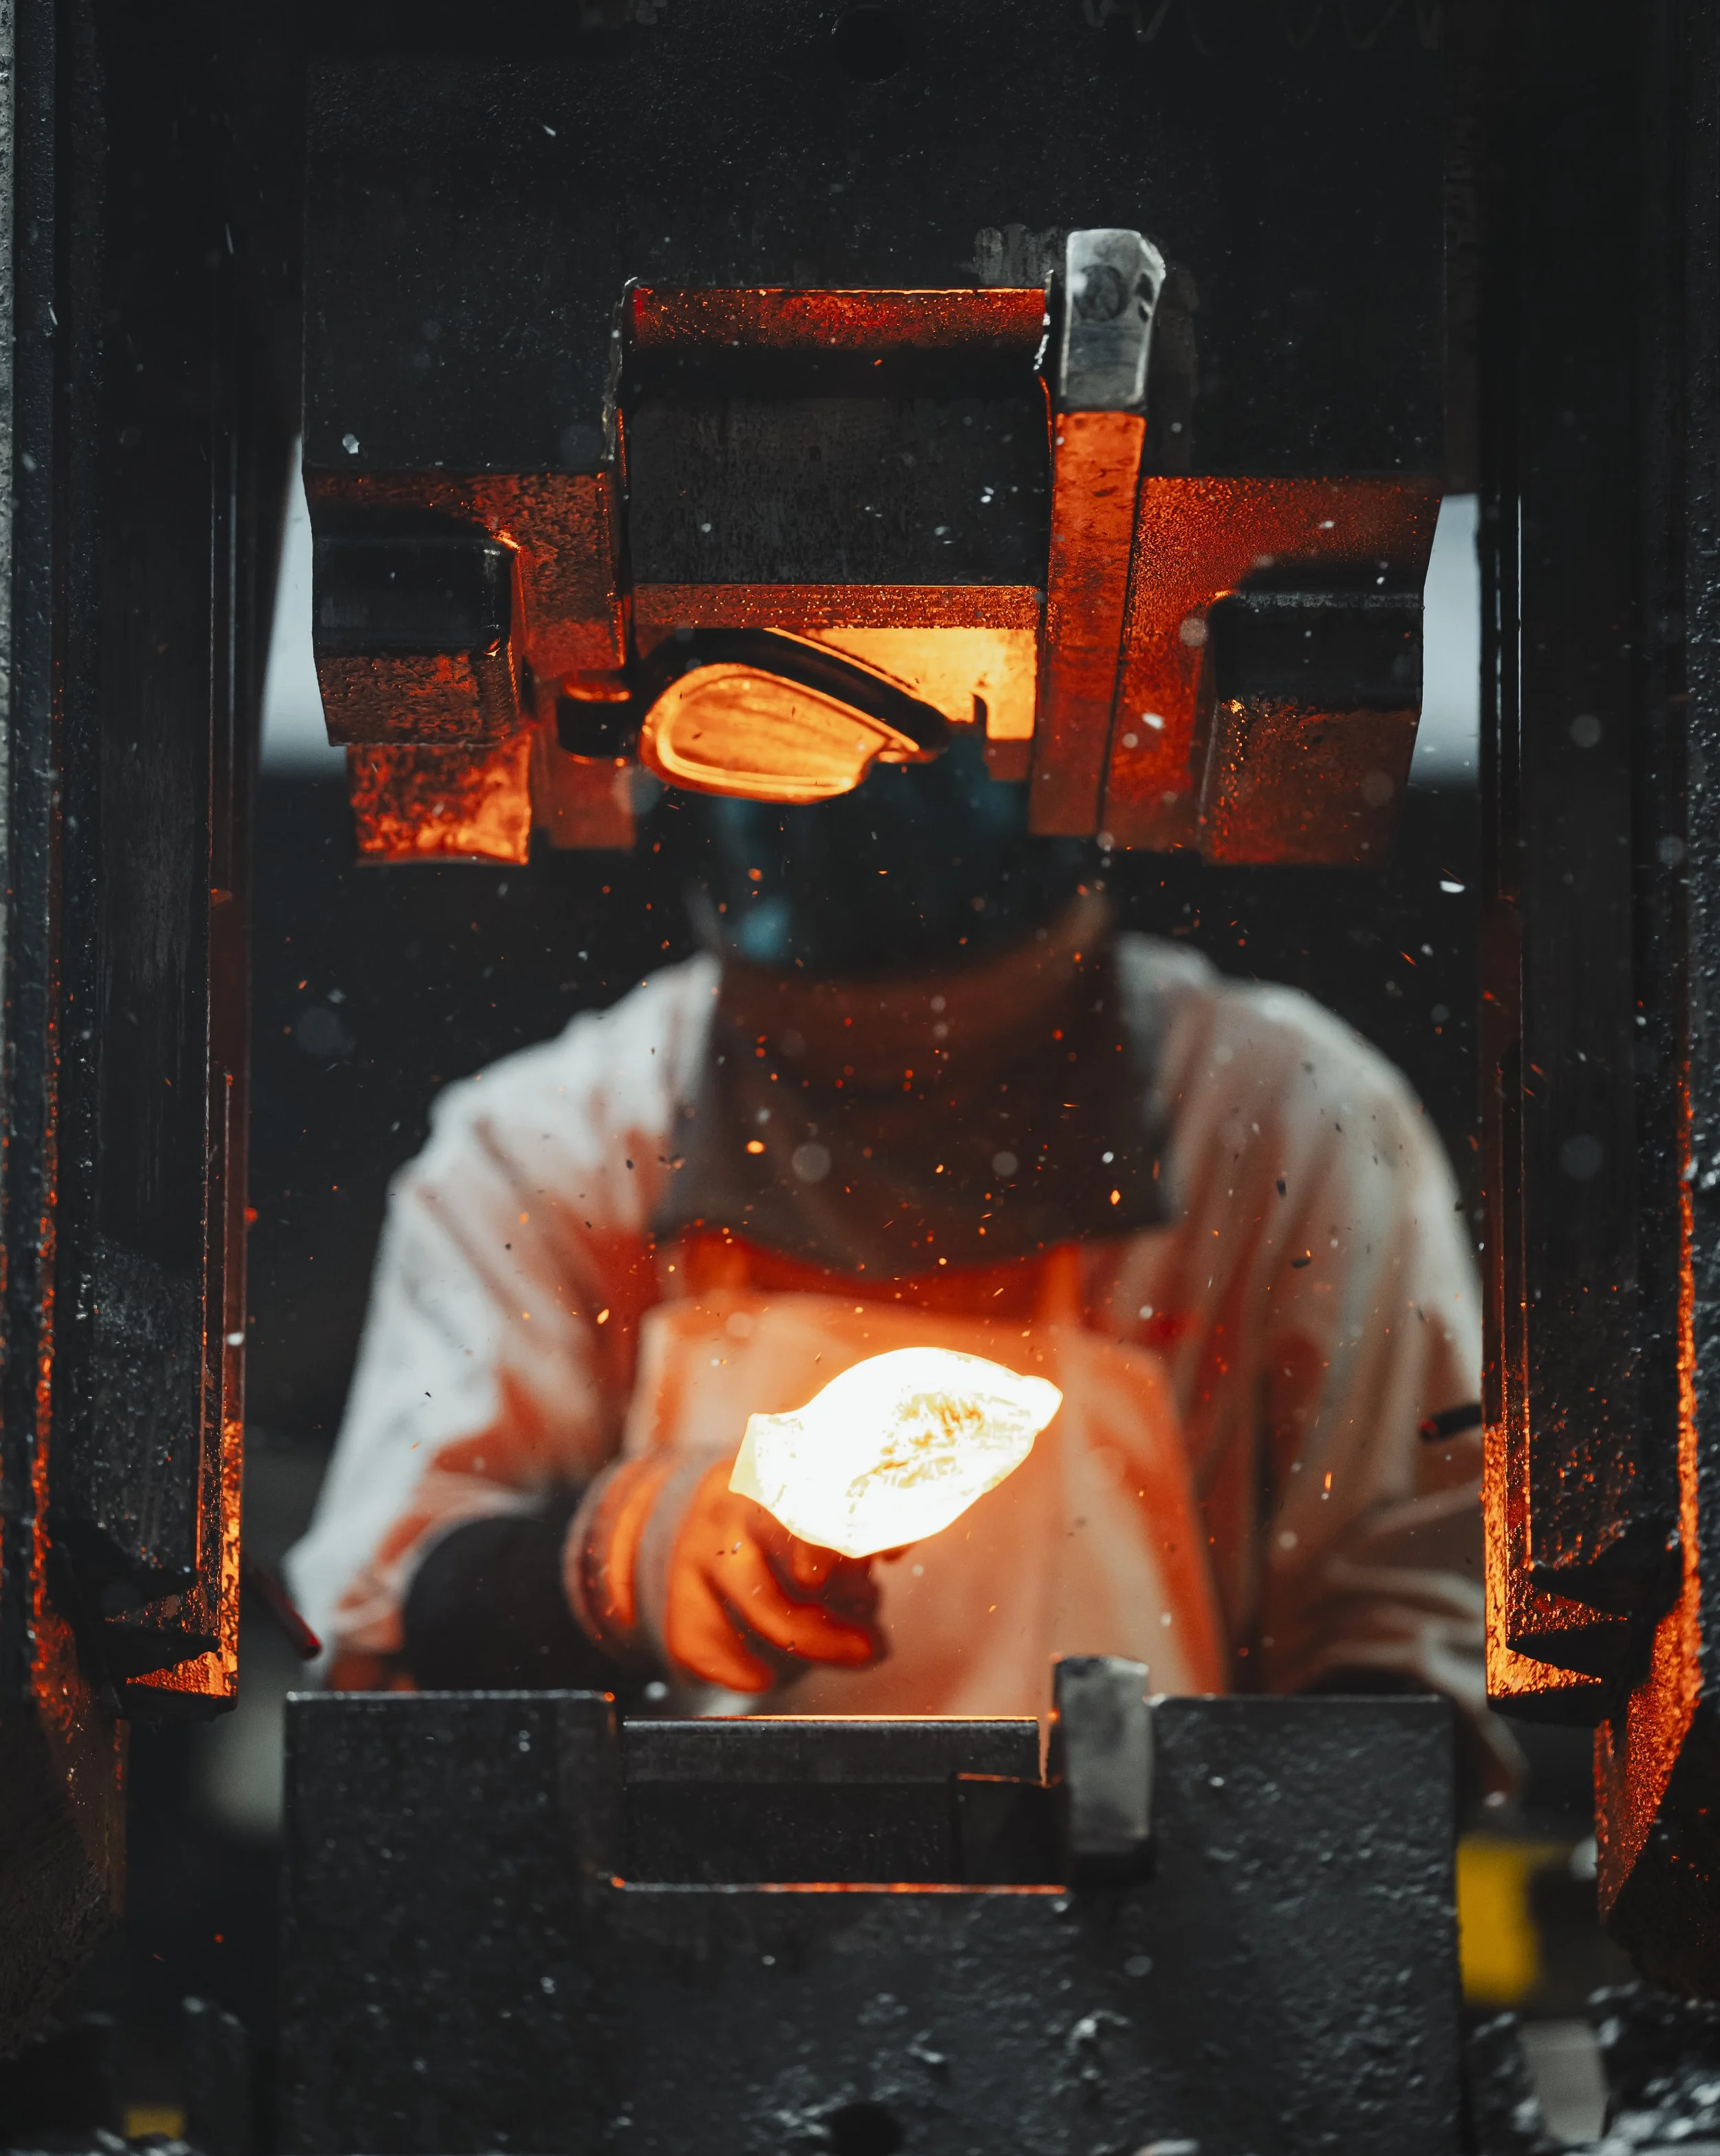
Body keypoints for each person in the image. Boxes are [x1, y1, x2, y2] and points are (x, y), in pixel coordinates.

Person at [286, 738, 1511, 1784]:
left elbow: (1408, 1652)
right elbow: (386, 1621)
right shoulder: (555, 1149)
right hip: (686, 1977)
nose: (913, 1113)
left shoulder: (1279, 1123)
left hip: (1158, 1972)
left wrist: (1232, 1890)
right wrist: (627, 1555)